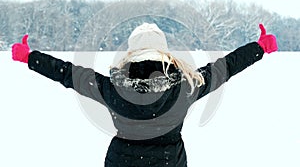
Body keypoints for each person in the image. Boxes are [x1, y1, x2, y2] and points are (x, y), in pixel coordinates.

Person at [12, 23, 278, 167]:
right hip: (169, 161)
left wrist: (30, 57)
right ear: (163, 51)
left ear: (131, 52)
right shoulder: (185, 86)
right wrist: (259, 47)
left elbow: (68, 73)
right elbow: (225, 68)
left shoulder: (111, 87)